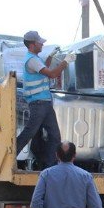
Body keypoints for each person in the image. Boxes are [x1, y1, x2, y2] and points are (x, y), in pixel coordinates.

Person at [16, 30, 68, 169]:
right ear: (32, 45)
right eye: (40, 43)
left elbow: (44, 67)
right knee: (30, 132)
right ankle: (10, 157)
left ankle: (50, 165)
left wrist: (51, 56)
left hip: (44, 102)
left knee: (55, 135)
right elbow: (51, 74)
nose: (42, 45)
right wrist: (65, 62)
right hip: (38, 103)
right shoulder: (32, 60)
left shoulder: (35, 58)